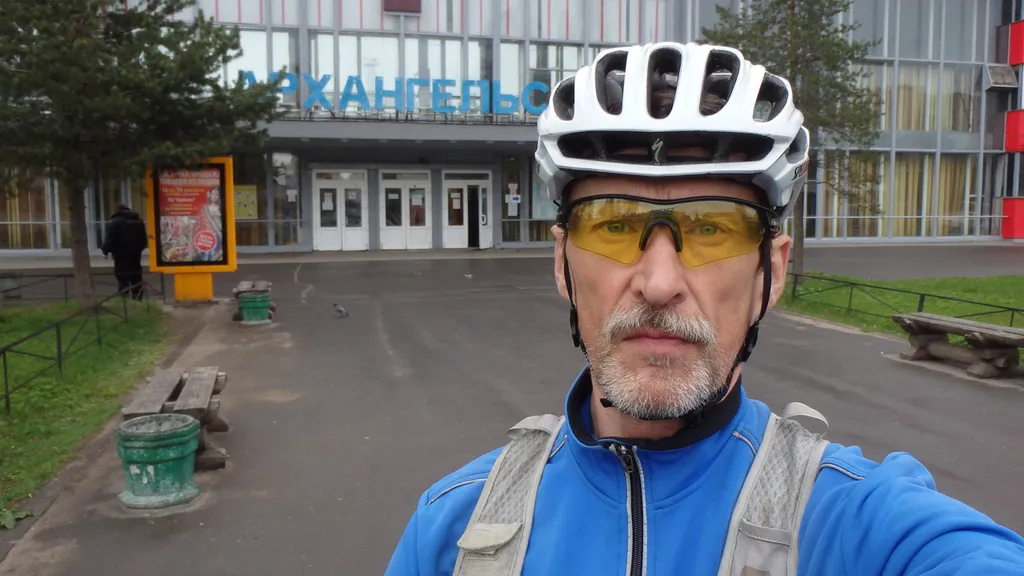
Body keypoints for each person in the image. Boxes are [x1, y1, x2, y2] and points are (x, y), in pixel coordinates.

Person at [385, 43, 1024, 575]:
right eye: (613, 225)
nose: (659, 283)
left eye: (713, 229)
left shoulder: (859, 524)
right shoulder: (453, 529)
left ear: (772, 272)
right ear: (562, 265)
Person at [101, 204, 149, 300]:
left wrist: (105, 250)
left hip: (120, 254)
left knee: (122, 276)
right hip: (136, 255)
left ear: (117, 211)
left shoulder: (115, 222)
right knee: (136, 276)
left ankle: (124, 298)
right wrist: (139, 249)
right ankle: (138, 297)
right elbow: (144, 240)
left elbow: (109, 239)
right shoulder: (138, 221)